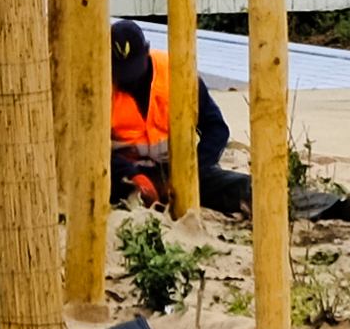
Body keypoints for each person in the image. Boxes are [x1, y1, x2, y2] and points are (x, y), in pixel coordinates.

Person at [105, 15, 245, 215]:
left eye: (134, 70)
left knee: (240, 188)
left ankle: (298, 203)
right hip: (125, 175)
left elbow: (216, 129)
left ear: (147, 52)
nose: (130, 80)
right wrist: (131, 174)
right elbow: (90, 149)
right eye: (123, 74)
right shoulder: (101, 88)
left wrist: (189, 171)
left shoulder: (177, 74)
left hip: (177, 170)